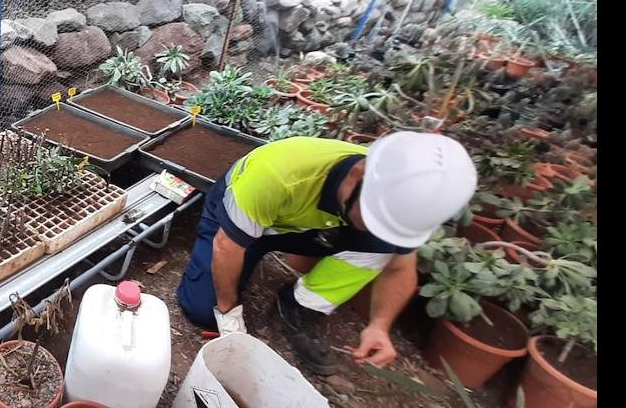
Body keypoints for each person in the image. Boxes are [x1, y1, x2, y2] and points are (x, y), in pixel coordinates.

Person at [176, 132, 477, 372]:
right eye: (372, 218)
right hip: (245, 220)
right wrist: (228, 313)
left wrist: (380, 325)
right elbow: (227, 246)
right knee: (204, 310)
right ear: (357, 176)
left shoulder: (400, 202)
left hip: (311, 226)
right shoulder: (279, 175)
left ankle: (300, 303)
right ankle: (235, 288)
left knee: (382, 250)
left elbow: (401, 269)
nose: (375, 230)